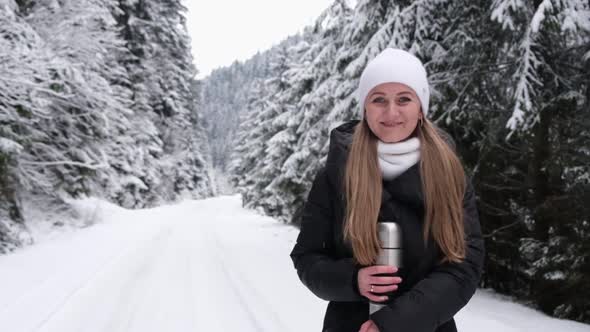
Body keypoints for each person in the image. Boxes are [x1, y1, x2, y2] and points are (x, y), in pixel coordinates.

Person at [289, 48, 485, 332]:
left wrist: (397, 321)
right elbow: (307, 258)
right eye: (378, 99)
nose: (391, 112)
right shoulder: (335, 175)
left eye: (404, 99)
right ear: (365, 108)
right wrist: (353, 280)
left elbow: (464, 266)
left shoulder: (449, 174)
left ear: (421, 108)